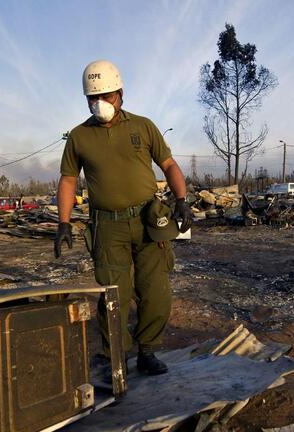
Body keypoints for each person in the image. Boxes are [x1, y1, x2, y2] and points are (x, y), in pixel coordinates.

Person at [54, 60, 193, 376]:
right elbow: (67, 180)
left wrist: (182, 200)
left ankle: (148, 352)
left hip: (148, 220)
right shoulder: (78, 136)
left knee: (155, 289)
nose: (101, 104)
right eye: (93, 98)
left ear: (121, 93)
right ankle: (116, 354)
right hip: (108, 225)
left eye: (107, 96)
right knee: (114, 294)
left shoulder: (143, 126)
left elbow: (169, 165)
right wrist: (63, 222)